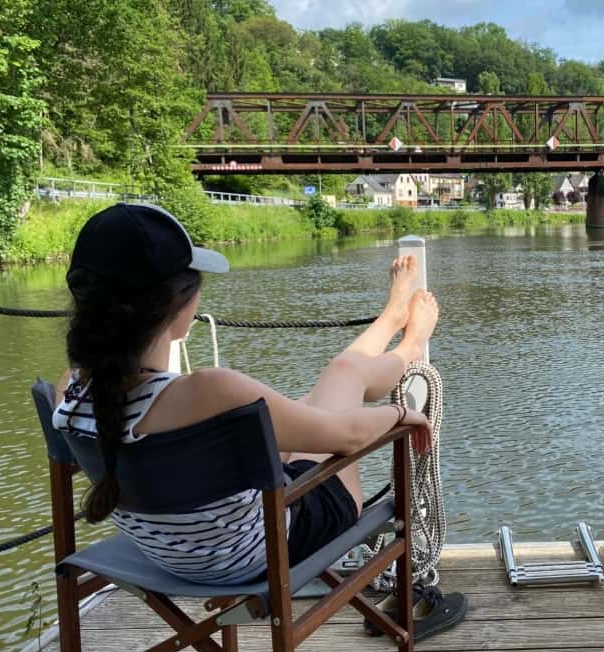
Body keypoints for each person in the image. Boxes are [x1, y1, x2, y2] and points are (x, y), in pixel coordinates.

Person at [52, 202, 437, 586]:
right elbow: (350, 436)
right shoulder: (210, 392)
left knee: (313, 402)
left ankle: (391, 321)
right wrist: (401, 415)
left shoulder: (69, 391)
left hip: (168, 556)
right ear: (177, 304)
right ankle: (409, 345)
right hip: (273, 546)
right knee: (345, 374)